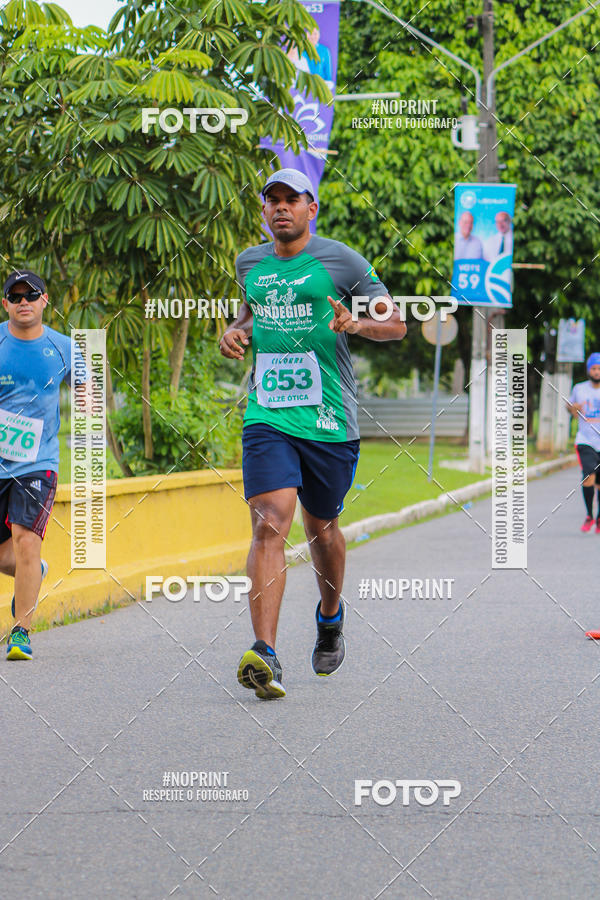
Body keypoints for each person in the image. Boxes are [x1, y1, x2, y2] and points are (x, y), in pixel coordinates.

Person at [220, 167, 406, 699]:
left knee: (321, 530)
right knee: (269, 523)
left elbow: (396, 325)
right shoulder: (249, 262)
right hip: (268, 415)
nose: (281, 208)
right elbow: (249, 319)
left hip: (329, 421)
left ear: (311, 209)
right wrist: (233, 335)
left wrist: (357, 324)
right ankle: (267, 654)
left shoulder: (341, 259)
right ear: (263, 212)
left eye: (291, 200)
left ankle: (329, 616)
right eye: (271, 200)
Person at [0, 271, 75, 659]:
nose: (23, 301)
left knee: (27, 540)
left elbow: (88, 389)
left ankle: (21, 632)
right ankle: (35, 573)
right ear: (5, 304)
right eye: (15, 296)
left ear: (45, 300)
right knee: (8, 555)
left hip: (38, 464)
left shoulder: (63, 347)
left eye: (31, 295)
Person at [566, 353, 600, 536]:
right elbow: (570, 408)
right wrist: (573, 409)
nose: (596, 372)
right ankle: (589, 515)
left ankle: (599, 518)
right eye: (594, 368)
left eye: (599, 369)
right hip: (586, 440)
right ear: (589, 370)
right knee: (588, 476)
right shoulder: (579, 389)